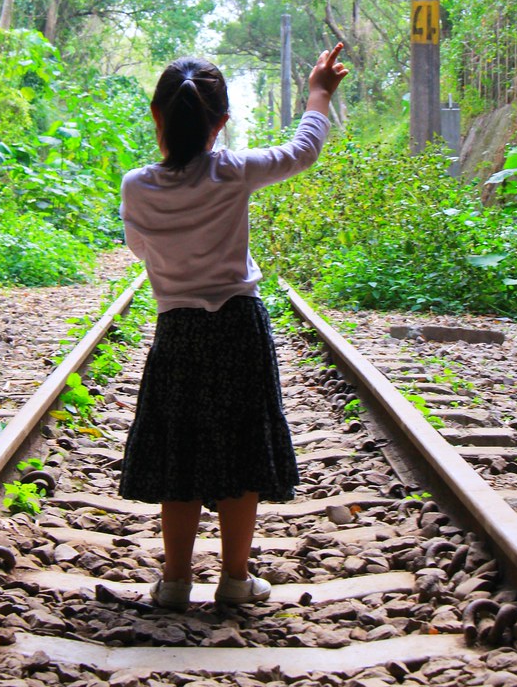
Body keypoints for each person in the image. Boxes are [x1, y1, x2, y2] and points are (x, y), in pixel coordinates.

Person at [119, 45, 348, 611]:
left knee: (180, 453)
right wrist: (318, 93)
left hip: (177, 332)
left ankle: (174, 581)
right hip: (238, 328)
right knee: (242, 453)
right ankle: (235, 578)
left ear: (157, 117)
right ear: (221, 123)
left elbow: (141, 252)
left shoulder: (136, 187)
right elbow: (304, 149)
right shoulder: (233, 171)